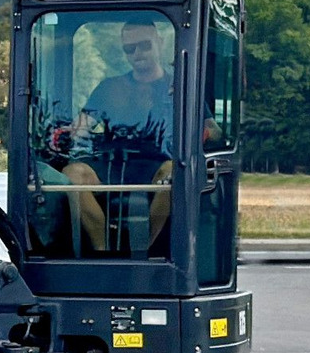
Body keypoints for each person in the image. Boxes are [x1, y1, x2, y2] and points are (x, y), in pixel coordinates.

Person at [62, 18, 216, 251]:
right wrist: (66, 134)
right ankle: (103, 249)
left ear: (160, 43)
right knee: (72, 174)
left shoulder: (182, 87)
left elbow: (214, 131)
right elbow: (80, 126)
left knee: (174, 171)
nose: (137, 53)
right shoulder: (109, 88)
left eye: (144, 45)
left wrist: (197, 132)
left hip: (158, 164)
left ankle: (143, 250)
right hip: (112, 164)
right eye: (129, 49)